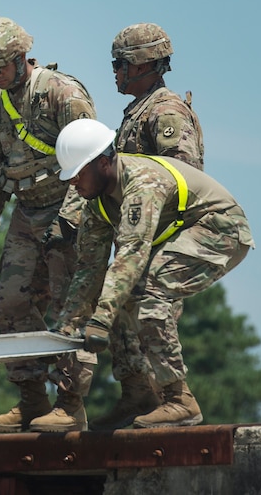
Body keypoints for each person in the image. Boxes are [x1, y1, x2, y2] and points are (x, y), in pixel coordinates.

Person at [54, 119, 253, 428]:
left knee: (148, 289)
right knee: (119, 292)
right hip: (184, 235)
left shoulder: (141, 184)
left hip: (222, 229)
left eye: (77, 173)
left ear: (104, 163)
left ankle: (179, 400)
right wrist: (67, 327)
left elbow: (132, 254)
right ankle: (139, 396)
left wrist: (101, 320)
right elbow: (88, 272)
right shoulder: (95, 204)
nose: (72, 183)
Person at [0, 16, 97, 433]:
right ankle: (30, 399)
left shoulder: (63, 93)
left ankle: (70, 404)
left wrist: (71, 218)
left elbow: (94, 159)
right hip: (26, 214)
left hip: (69, 209)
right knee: (11, 304)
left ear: (21, 56)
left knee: (68, 310)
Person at [91, 23, 206, 430]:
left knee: (153, 315)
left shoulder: (165, 112)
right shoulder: (138, 112)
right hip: (141, 235)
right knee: (123, 313)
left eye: (121, 64)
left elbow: (182, 179)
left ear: (146, 64)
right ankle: (138, 396)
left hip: (164, 238)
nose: (116, 72)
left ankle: (177, 399)